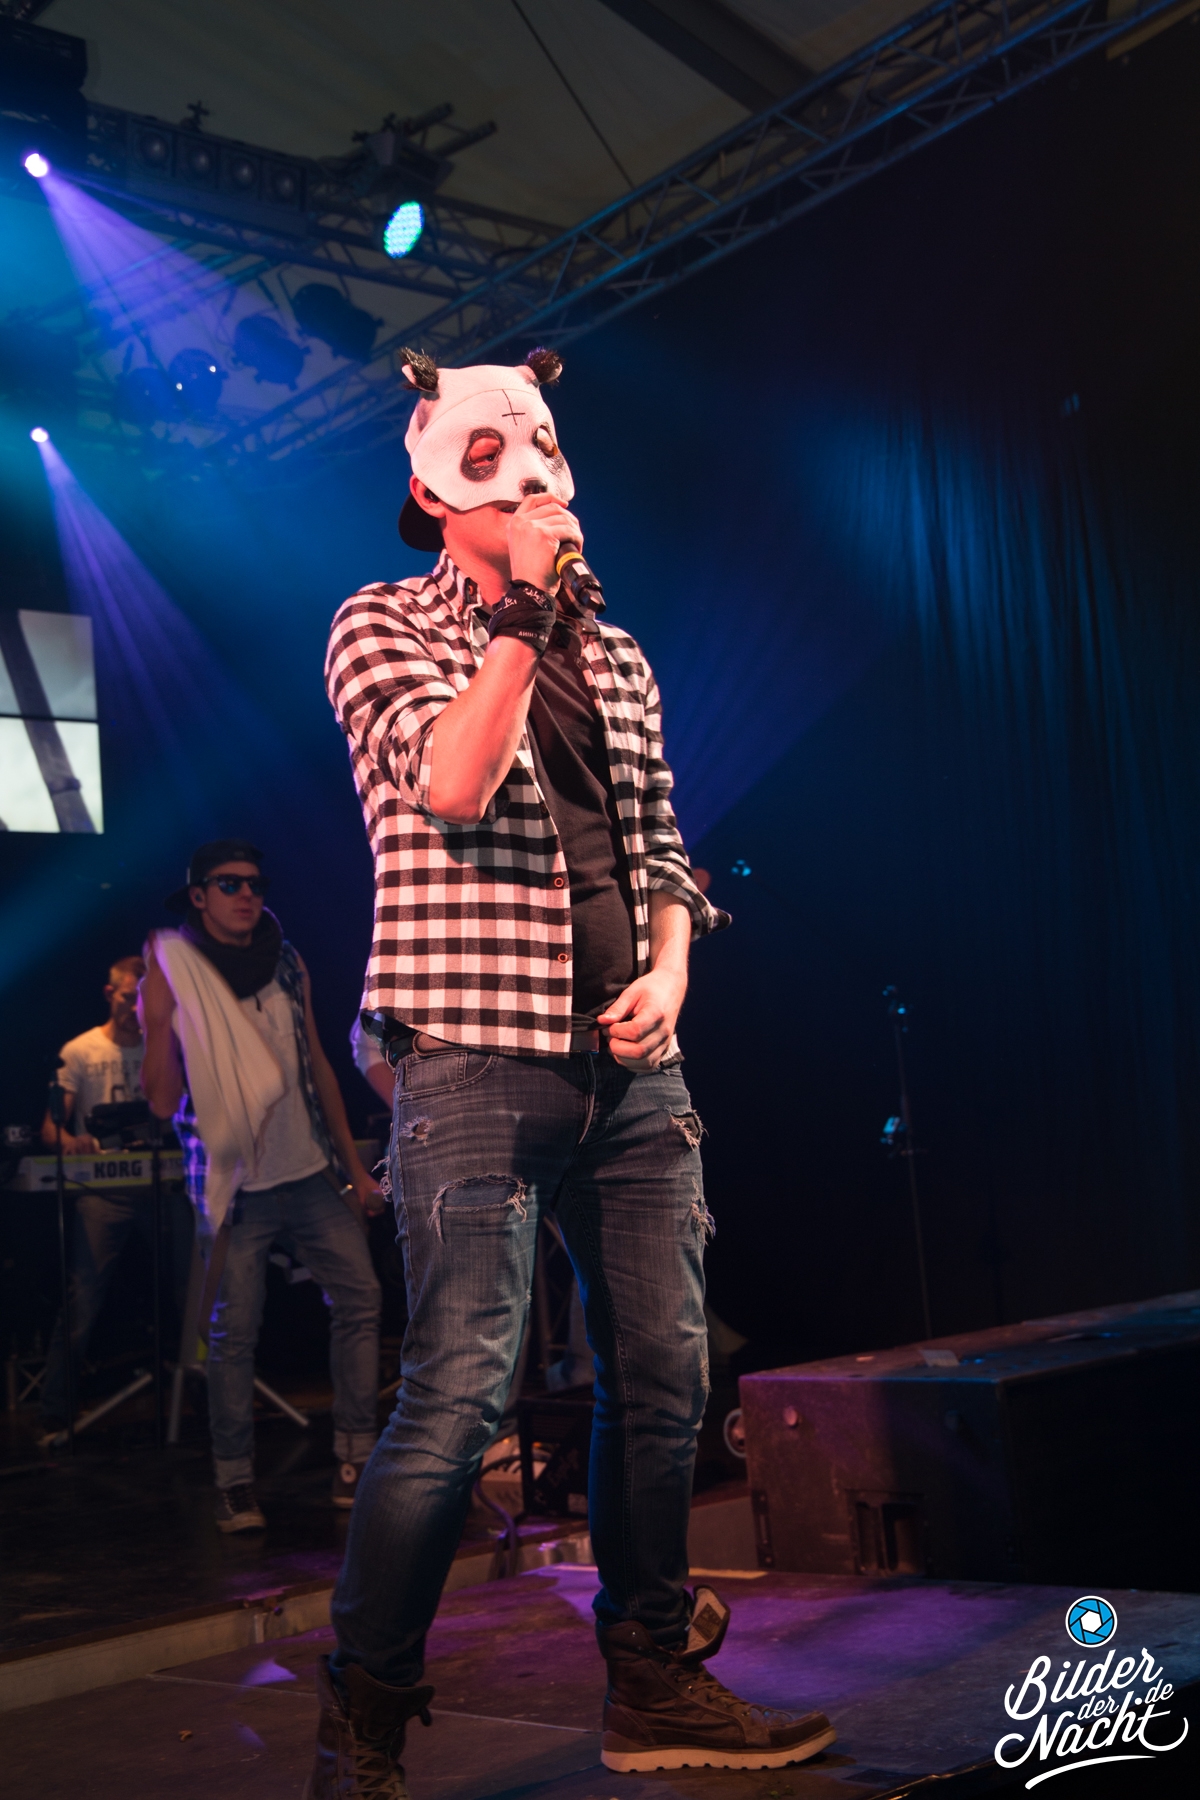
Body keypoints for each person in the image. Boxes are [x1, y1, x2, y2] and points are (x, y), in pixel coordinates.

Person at [315, 349, 835, 1794]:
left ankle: (653, 1675)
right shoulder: (381, 624)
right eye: (496, 462)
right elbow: (452, 783)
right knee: (459, 1396)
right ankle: (362, 1717)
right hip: (474, 1058)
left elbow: (662, 844)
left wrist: (670, 971)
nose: (534, 482)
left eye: (544, 454)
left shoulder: (618, 656)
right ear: (436, 491)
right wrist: (521, 619)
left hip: (630, 1070)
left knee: (666, 1373)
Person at [139, 839, 385, 1531]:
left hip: (307, 1170)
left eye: (254, 883)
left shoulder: (285, 958)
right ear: (198, 896)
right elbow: (161, 1102)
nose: (247, 894)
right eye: (229, 884)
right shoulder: (177, 970)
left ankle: (355, 1456)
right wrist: (157, 1018)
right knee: (233, 1334)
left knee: (361, 1298)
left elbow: (318, 1066)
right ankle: (234, 1481)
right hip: (235, 1186)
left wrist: (353, 1169)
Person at [38, 955, 193, 1433]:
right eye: (129, 997)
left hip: (162, 1181)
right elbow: (50, 1128)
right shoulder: (80, 1050)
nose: (136, 1007)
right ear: (111, 995)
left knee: (194, 1289)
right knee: (84, 1296)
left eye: (144, 998)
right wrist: (72, 1142)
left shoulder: (165, 1045)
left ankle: (205, 1390)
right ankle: (54, 1408)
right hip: (104, 1189)